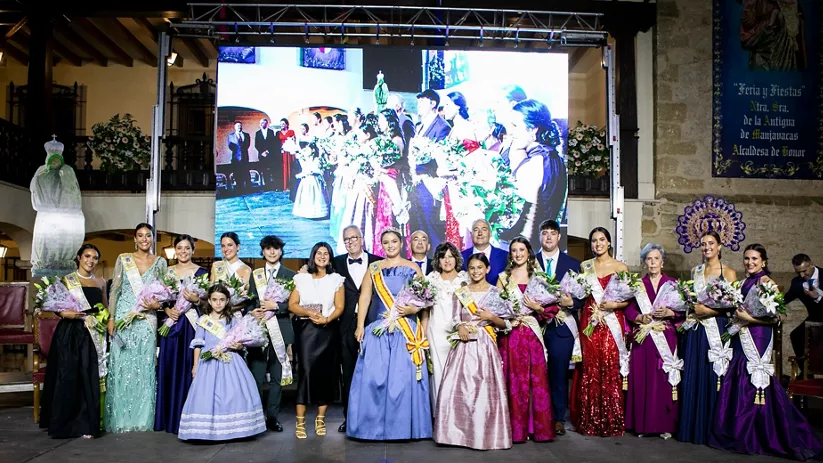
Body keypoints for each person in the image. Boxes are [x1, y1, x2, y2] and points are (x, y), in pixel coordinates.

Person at [710, 244, 823, 460]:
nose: (749, 262)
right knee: (738, 377)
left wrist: (747, 319)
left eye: (754, 258)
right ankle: (739, 431)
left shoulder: (767, 283)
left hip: (759, 336)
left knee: (756, 380)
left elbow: (776, 318)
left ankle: (764, 433)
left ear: (764, 261)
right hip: (741, 335)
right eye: (746, 258)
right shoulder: (742, 283)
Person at [347, 228, 431, 440]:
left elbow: (425, 301)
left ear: (401, 243)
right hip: (379, 329)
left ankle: (401, 429)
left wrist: (414, 311)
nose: (390, 245)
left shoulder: (412, 268)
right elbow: (365, 297)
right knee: (374, 379)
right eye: (386, 242)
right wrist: (359, 326)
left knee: (401, 381)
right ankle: (371, 428)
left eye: (394, 241)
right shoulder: (374, 268)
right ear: (381, 245)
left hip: (406, 330)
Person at [433, 253, 512, 450]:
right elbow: (453, 318)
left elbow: (506, 324)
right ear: (468, 271)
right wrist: (459, 326)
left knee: (484, 390)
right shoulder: (461, 292)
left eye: (479, 267)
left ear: (488, 269)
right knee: (459, 389)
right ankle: (456, 435)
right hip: (464, 344)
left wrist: (491, 317)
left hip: (486, 345)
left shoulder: (495, 292)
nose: (476, 271)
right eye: (472, 268)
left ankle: (485, 435)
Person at [178, 284, 266, 441]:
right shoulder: (203, 320)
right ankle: (208, 431)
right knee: (207, 397)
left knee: (232, 395)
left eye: (222, 300)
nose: (218, 303)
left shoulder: (232, 320)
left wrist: (238, 345)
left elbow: (240, 341)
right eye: (215, 300)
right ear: (209, 301)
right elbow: (198, 345)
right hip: (208, 364)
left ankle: (234, 429)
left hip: (230, 360)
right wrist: (195, 366)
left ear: (227, 301)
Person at [39, 244, 107, 439]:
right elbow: (56, 305)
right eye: (87, 256)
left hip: (92, 331)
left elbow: (104, 307)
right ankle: (66, 424)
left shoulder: (100, 282)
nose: (90, 261)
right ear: (79, 257)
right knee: (69, 377)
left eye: (94, 258)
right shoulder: (67, 280)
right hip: (70, 332)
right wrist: (63, 313)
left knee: (88, 376)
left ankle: (86, 424)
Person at [105, 223, 168, 433]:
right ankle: (122, 418)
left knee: (144, 367)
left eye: (148, 236)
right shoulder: (124, 259)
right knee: (122, 367)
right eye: (140, 236)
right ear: (134, 239)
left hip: (146, 320)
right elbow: (115, 290)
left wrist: (158, 305)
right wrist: (112, 318)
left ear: (153, 239)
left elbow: (166, 293)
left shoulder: (160, 262)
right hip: (124, 317)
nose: (144, 239)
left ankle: (142, 418)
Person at [677, 230, 737, 445]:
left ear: (719, 246)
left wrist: (708, 312)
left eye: (711, 243)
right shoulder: (696, 271)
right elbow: (692, 301)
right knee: (695, 374)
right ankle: (693, 428)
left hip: (716, 328)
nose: (707, 247)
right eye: (703, 244)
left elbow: (732, 308)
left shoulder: (728, 272)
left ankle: (713, 429)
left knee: (714, 378)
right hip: (696, 330)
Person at [570, 227, 630, 437]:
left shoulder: (621, 267)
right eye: (594, 241)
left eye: (602, 240)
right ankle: (590, 419)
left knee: (610, 366)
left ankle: (611, 420)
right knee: (590, 367)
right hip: (590, 320)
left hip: (612, 320)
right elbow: (581, 294)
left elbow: (627, 300)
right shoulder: (585, 266)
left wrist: (614, 306)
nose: (598, 244)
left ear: (609, 243)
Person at [496, 236, 554, 443]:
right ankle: (516, 430)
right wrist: (507, 315)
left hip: (531, 333)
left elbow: (552, 309)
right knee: (514, 381)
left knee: (534, 380)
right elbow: (495, 307)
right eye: (514, 250)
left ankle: (536, 429)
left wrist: (538, 308)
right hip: (511, 335)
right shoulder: (503, 278)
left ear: (529, 252)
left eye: (522, 250)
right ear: (510, 254)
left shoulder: (539, 276)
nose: (518, 254)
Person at [288, 242, 345, 439]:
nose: (322, 256)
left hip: (328, 330)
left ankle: (320, 420)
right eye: (319, 253)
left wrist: (326, 319)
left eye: (326, 253)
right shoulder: (301, 278)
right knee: (306, 373)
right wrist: (309, 313)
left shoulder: (336, 279)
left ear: (330, 257)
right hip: (306, 331)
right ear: (313, 256)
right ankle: (300, 422)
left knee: (325, 375)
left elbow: (339, 307)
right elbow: (292, 304)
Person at [625, 243, 682, 438]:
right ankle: (643, 425)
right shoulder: (638, 286)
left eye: (656, 258)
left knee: (663, 381)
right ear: (644, 262)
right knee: (643, 380)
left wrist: (669, 312)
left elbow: (683, 312)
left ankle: (664, 425)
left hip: (665, 337)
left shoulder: (672, 284)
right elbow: (629, 309)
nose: (652, 262)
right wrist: (639, 317)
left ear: (662, 262)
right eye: (649, 259)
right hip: (643, 339)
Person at [155, 235, 208, 434]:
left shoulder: (202, 273)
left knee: (189, 369)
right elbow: (159, 301)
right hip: (172, 324)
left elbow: (208, 303)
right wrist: (167, 310)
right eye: (180, 248)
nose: (183, 251)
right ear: (175, 250)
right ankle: (169, 417)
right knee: (169, 367)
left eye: (187, 248)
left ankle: (189, 417)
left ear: (193, 250)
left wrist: (196, 299)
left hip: (192, 326)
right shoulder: (167, 272)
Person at [332, 225, 382, 433]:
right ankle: (350, 418)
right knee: (349, 375)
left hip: (373, 323)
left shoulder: (378, 261)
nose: (350, 242)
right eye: (346, 239)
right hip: (345, 326)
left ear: (362, 239)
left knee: (375, 374)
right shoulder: (336, 263)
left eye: (354, 238)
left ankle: (376, 418)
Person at [535, 219, 581, 436]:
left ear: (559, 237)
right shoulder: (531, 262)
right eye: (545, 233)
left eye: (553, 233)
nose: (549, 237)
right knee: (535, 373)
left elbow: (582, 297)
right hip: (536, 325)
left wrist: (572, 303)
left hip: (562, 326)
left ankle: (557, 418)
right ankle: (536, 416)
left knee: (558, 373)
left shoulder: (572, 264)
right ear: (540, 237)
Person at [246, 235, 295, 433]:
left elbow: (293, 304)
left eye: (275, 248)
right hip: (258, 329)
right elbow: (250, 300)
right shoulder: (255, 274)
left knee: (276, 376)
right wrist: (253, 310)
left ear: (281, 251)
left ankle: (272, 417)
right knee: (256, 374)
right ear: (263, 251)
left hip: (280, 329)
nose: (272, 252)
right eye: (268, 249)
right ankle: (256, 416)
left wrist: (277, 306)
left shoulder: (290, 275)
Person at [500, 99, 567, 245]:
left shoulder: (537, 161)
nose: (510, 131)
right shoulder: (551, 156)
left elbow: (529, 213)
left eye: (515, 125)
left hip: (526, 244)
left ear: (533, 129)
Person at [408, 88, 451, 251]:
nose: (418, 106)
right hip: (417, 181)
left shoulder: (442, 127)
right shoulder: (420, 125)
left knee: (431, 224)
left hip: (430, 181)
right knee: (420, 224)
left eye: (422, 102)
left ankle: (436, 259)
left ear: (433, 104)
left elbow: (441, 157)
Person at [425, 242, 467, 408]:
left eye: (450, 256)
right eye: (443, 257)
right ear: (438, 260)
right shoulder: (430, 280)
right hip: (436, 331)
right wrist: (423, 332)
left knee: (460, 373)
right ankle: (440, 414)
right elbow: (425, 310)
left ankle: (458, 414)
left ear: (456, 258)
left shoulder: (465, 279)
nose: (447, 260)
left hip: (460, 332)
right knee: (438, 373)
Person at [784, 253, 823, 376]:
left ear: (811, 264)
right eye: (798, 272)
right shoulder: (797, 282)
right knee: (796, 335)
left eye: (804, 271)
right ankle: (805, 373)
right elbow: (786, 298)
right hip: (815, 318)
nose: (802, 275)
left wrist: (818, 298)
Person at [461, 219, 508, 285]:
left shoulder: (505, 256)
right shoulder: (461, 257)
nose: (480, 233)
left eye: (484, 229)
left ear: (490, 234)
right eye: (476, 230)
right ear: (471, 234)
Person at [254, 118, 283, 189]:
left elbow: (273, 143)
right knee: (264, 171)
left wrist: (267, 151)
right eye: (261, 123)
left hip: (270, 155)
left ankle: (274, 185)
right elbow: (256, 144)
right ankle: (267, 186)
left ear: (266, 124)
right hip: (262, 155)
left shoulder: (271, 132)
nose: (262, 124)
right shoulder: (257, 133)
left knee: (272, 170)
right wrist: (262, 152)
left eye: (264, 123)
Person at [227, 121, 251, 192]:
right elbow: (230, 146)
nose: (239, 127)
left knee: (246, 172)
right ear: (234, 127)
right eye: (237, 126)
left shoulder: (246, 135)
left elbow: (247, 145)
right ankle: (239, 188)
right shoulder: (231, 136)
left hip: (245, 157)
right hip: (236, 158)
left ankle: (248, 189)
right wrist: (237, 152)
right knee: (237, 173)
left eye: (240, 126)